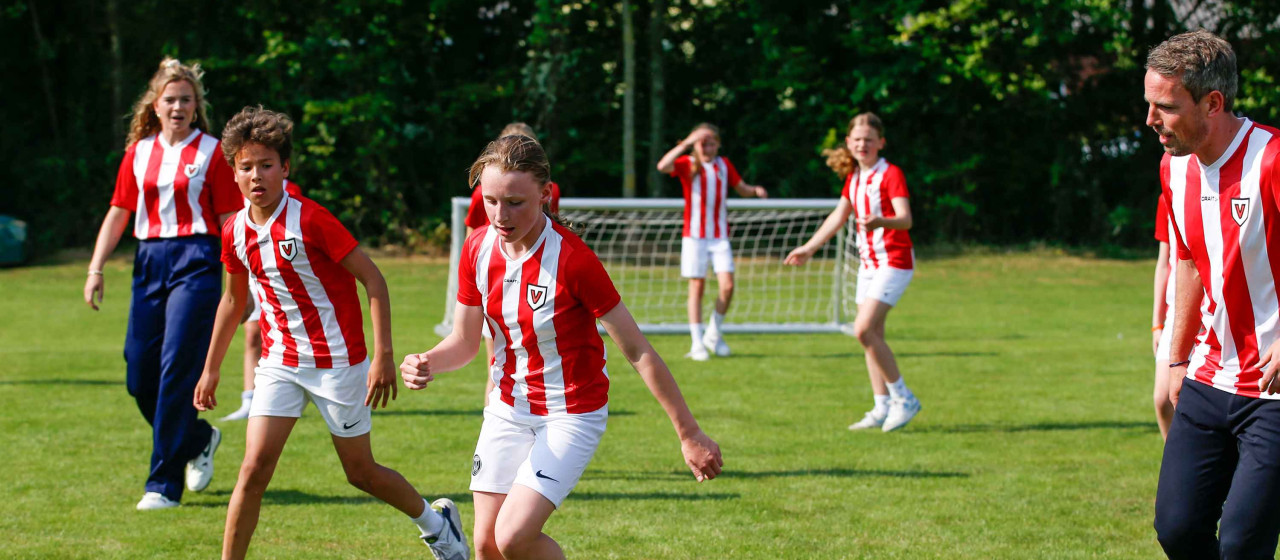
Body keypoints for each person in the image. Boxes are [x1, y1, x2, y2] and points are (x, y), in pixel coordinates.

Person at [401, 135, 723, 560]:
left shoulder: (573, 260)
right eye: (492, 200)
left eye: (515, 202)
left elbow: (638, 350)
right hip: (507, 408)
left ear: (546, 195)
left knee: (512, 537)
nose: (500, 214)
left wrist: (689, 433)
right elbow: (463, 343)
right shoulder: (477, 248)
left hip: (570, 413)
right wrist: (426, 361)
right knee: (484, 544)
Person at [192, 106, 467, 560]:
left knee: (360, 473)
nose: (256, 175)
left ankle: (437, 525)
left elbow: (374, 280)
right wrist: (211, 370)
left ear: (285, 168)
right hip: (280, 364)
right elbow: (232, 301)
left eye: (266, 165)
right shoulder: (234, 232)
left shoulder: (312, 220)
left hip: (339, 365)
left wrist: (381, 356)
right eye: (246, 167)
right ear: (233, 173)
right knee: (252, 470)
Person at [1146, 30, 1280, 559]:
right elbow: (1187, 262)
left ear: (1213, 102)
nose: (1151, 121)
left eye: (1166, 108)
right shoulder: (1172, 168)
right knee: (1177, 529)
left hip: (1272, 392)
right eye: (1150, 105)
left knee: (1244, 546)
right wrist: (1176, 357)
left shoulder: (1270, 158)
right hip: (1206, 377)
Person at [83, 57, 239, 510]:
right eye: (170, 99)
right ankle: (197, 437)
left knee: (176, 367)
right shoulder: (139, 153)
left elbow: (230, 220)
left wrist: (242, 279)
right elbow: (118, 211)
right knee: (139, 373)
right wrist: (96, 268)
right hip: (149, 260)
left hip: (198, 260)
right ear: (154, 105)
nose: (177, 107)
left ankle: (163, 483)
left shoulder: (211, 152)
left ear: (196, 106)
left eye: (186, 100)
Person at [784, 113, 921, 432]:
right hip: (869, 264)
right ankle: (881, 406)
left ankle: (904, 398)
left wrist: (881, 221)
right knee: (872, 336)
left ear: (880, 143)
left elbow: (906, 219)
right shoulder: (856, 178)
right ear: (848, 143)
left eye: (869, 140)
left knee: (862, 330)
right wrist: (809, 247)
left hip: (894, 261)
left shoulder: (891, 174)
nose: (863, 144)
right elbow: (838, 216)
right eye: (857, 139)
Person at [463, 123, 561, 406]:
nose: (501, 213)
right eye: (491, 201)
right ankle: (495, 418)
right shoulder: (482, 193)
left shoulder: (542, 193)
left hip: (535, 281)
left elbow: (548, 228)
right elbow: (473, 236)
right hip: (495, 287)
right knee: (498, 366)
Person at [655, 123, 767, 361]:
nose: (707, 147)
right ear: (695, 143)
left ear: (718, 144)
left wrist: (755, 190)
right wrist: (687, 141)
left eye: (711, 142)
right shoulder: (688, 163)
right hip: (695, 236)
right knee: (697, 286)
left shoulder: (723, 165)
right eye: (702, 142)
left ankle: (714, 334)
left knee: (727, 285)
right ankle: (697, 343)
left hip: (719, 236)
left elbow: (742, 188)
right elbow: (662, 166)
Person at [221, 179, 303, 422]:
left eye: (267, 164)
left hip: (283, 274)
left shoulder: (293, 192)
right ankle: (250, 399)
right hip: (252, 273)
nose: (257, 173)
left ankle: (299, 390)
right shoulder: (239, 191)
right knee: (252, 335)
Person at [1151, 193, 1178, 439]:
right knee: (1162, 398)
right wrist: (1156, 323)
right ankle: (1176, 468)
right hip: (1174, 314)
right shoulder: (1168, 194)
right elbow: (1163, 263)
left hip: (1210, 312)